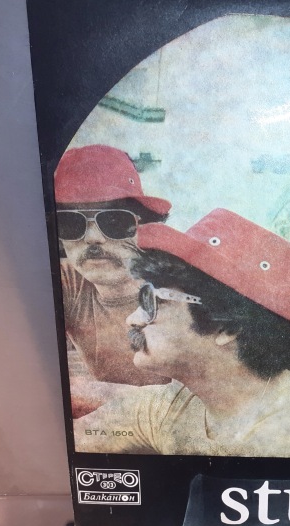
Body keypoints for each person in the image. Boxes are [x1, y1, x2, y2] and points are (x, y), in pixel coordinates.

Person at [74, 209, 290, 459]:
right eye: (141, 299)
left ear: (228, 326)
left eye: (153, 301)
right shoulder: (175, 403)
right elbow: (74, 445)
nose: (133, 319)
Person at [55, 144, 173, 416]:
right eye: (70, 223)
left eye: (115, 222)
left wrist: (91, 394)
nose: (93, 238)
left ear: (143, 226)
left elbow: (195, 406)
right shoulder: (66, 281)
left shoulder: (180, 287)